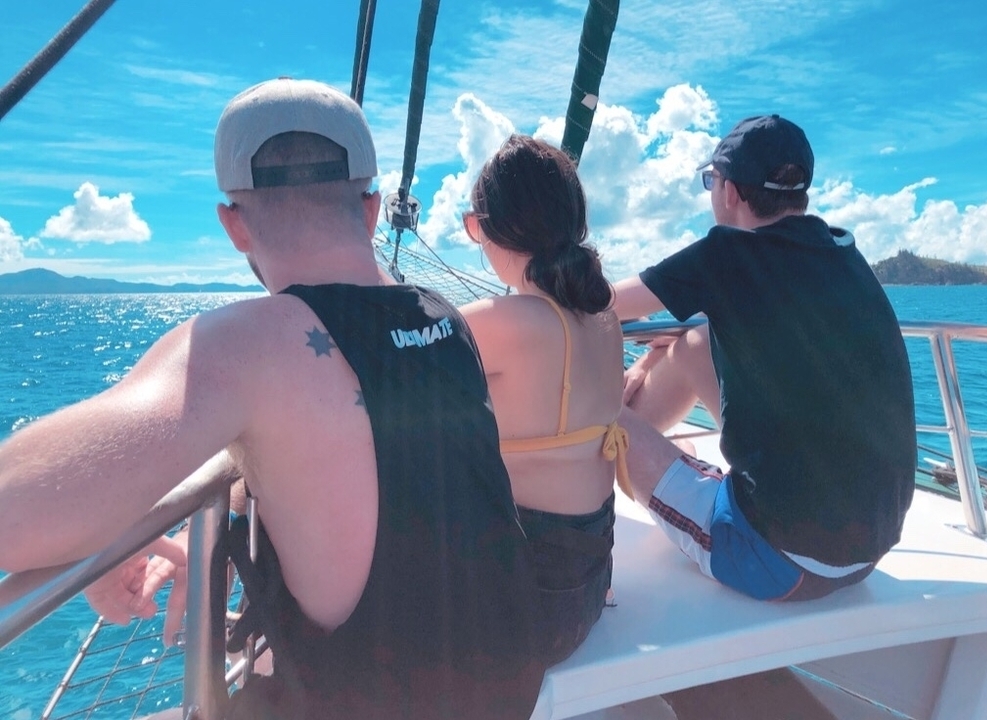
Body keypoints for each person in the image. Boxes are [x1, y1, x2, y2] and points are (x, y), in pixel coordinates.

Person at [0, 78, 545, 718]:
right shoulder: (447, 319)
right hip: (507, 689)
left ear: (233, 224)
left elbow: (14, 514)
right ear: (371, 209)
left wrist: (97, 530)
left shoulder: (246, 346)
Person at [612, 114, 916, 601]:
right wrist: (650, 360)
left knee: (595, 414)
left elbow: (601, 301)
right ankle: (672, 461)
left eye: (711, 180)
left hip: (778, 558)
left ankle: (636, 461)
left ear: (730, 192)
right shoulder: (840, 250)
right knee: (694, 342)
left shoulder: (727, 254)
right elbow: (716, 321)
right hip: (869, 549)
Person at [458, 135, 626, 664]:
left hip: (527, 613)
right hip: (589, 587)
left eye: (473, 226)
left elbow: (389, 364)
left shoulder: (500, 323)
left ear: (489, 228)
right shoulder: (605, 319)